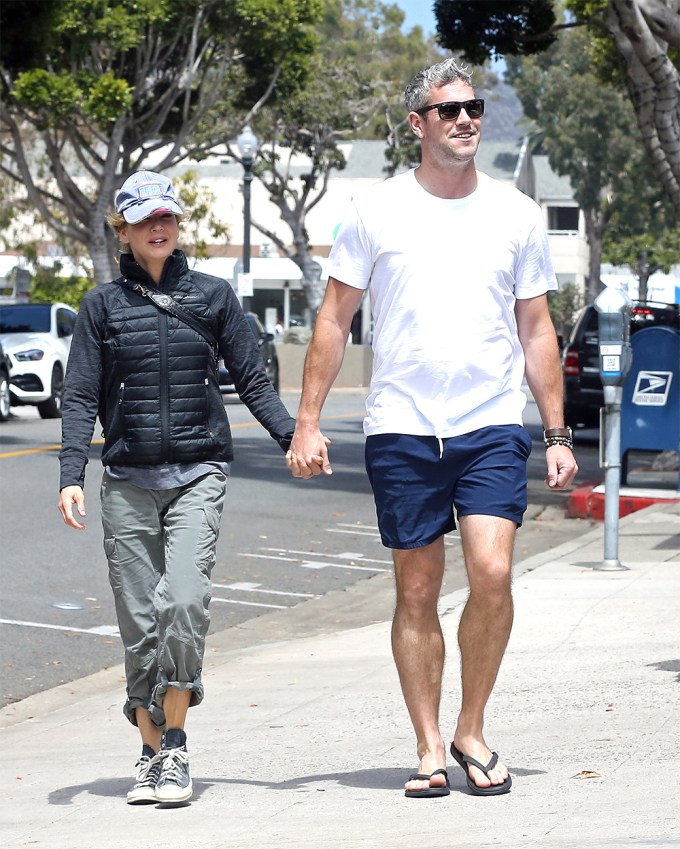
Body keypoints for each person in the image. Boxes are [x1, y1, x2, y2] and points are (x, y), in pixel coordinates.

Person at [286, 58, 578, 799]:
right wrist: (308, 422)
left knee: (494, 572)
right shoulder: (375, 210)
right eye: (448, 111)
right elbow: (334, 316)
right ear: (418, 124)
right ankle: (426, 747)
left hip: (487, 424)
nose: (465, 120)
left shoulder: (515, 212)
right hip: (403, 429)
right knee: (417, 591)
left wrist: (556, 432)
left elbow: (536, 327)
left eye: (473, 108)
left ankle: (470, 727)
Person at [58, 170, 295, 806]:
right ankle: (150, 751)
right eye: (144, 220)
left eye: (168, 217)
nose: (158, 228)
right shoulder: (101, 307)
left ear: (178, 225)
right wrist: (70, 476)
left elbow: (253, 381)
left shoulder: (215, 297)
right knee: (139, 621)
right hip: (127, 479)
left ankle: (178, 744)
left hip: (197, 473)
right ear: (124, 232)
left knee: (183, 603)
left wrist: (293, 439)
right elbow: (79, 394)